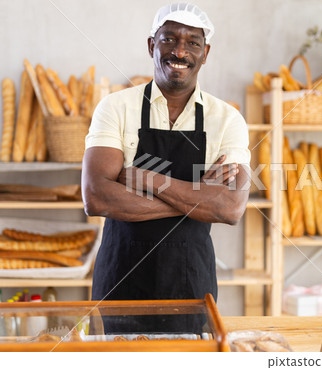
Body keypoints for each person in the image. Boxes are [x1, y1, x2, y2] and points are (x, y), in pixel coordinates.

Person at [81, 3, 250, 333]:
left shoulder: (227, 119)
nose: (180, 51)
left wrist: (145, 178)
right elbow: (96, 198)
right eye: (169, 39)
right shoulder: (116, 108)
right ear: (151, 45)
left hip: (190, 286)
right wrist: (199, 198)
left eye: (193, 42)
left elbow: (230, 208)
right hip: (119, 283)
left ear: (206, 52)